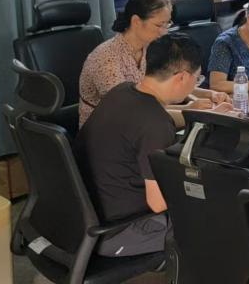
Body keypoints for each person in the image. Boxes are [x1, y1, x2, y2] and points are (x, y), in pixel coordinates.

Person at [75, 33, 203, 257]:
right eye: (197, 79)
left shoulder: (122, 91)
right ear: (182, 77)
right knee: (215, 218)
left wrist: (200, 114)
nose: (195, 84)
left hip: (84, 219)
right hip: (120, 231)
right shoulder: (155, 124)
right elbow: (159, 204)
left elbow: (148, 125)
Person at [79, 0, 227, 127]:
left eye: (167, 24)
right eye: (159, 25)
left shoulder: (150, 47)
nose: (164, 32)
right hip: (109, 132)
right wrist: (189, 111)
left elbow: (166, 85)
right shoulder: (106, 59)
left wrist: (209, 94)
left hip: (143, 123)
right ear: (136, 21)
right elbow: (135, 111)